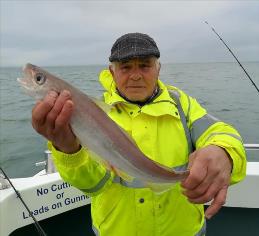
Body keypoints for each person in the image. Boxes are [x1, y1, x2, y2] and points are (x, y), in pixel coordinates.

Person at [32, 33, 246, 236]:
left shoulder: (182, 104)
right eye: (125, 67)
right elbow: (93, 184)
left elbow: (221, 132)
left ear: (158, 69)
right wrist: (68, 150)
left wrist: (224, 152)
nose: (135, 75)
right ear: (112, 71)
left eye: (145, 66)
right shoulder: (95, 113)